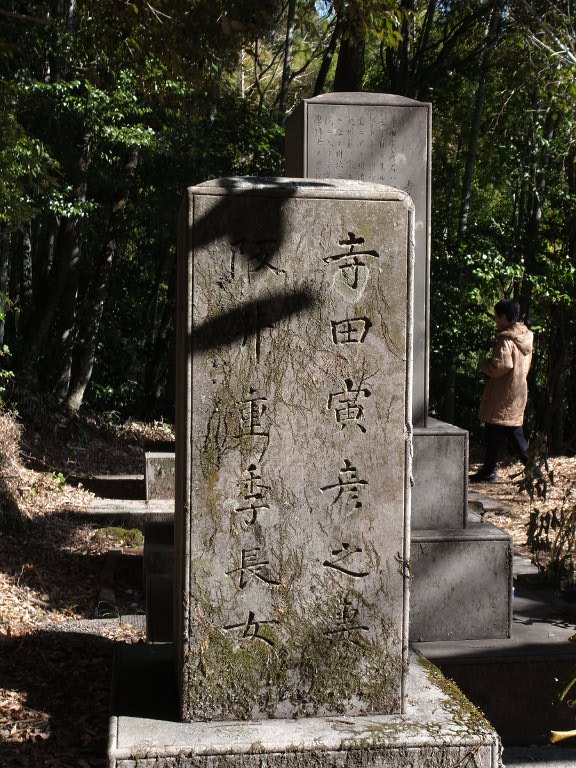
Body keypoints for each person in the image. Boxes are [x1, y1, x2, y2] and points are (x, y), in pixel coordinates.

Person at [469, 298, 538, 483]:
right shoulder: (526, 335)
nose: (495, 320)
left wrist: (485, 367)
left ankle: (534, 471)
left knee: (512, 432)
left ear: (504, 317)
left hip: (503, 391)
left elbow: (502, 365)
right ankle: (489, 470)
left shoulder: (505, 338)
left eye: (497, 316)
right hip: (518, 388)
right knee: (496, 431)